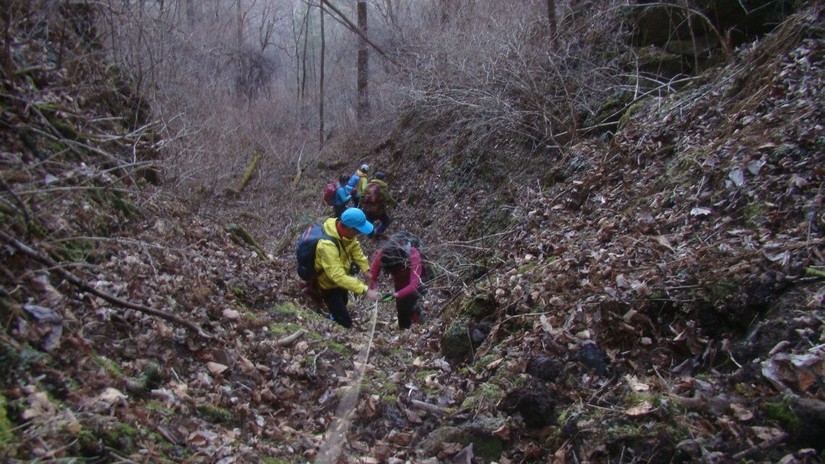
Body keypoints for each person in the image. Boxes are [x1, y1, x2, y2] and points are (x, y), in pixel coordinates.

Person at [313, 208, 379, 328]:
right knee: (344, 321)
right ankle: (336, 321)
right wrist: (365, 290)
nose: (359, 234)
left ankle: (336, 315)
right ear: (349, 229)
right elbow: (337, 276)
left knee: (344, 300)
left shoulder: (347, 235)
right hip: (329, 284)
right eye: (358, 231)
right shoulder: (327, 245)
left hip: (343, 278)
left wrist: (366, 269)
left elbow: (355, 248)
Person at [368, 234, 424, 330]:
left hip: (419, 278)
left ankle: (421, 328)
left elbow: (414, 284)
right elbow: (371, 276)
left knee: (413, 306)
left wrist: (396, 295)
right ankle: (404, 331)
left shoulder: (413, 254)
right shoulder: (382, 254)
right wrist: (374, 290)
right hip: (399, 282)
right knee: (401, 309)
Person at [361, 172, 397, 238]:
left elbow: (362, 196)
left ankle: (370, 235)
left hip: (367, 209)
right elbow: (388, 198)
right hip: (378, 210)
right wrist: (395, 203)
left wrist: (360, 205)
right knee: (385, 221)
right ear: (382, 179)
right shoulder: (382, 187)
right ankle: (379, 232)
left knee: (369, 223)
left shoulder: (368, 186)